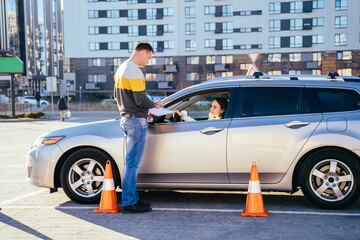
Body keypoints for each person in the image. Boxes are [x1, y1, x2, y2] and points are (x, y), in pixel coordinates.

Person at [114, 42, 163, 214]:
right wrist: (155, 105)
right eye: (149, 57)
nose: (148, 61)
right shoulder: (134, 70)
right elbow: (140, 99)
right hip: (135, 120)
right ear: (143, 52)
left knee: (130, 163)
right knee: (133, 163)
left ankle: (131, 198)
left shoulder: (121, 68)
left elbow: (118, 96)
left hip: (127, 118)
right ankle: (129, 202)